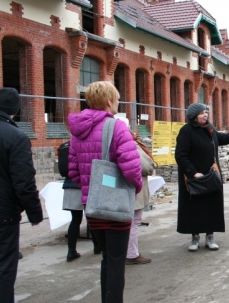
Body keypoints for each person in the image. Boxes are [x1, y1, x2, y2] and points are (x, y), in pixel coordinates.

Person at [68, 81, 142, 303]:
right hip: (115, 205)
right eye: (117, 99)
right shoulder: (117, 127)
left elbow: (72, 170)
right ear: (109, 101)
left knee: (107, 258)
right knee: (116, 262)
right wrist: (135, 188)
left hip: (92, 206)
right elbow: (131, 168)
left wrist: (90, 186)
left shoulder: (77, 132)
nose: (118, 104)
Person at [175, 103, 229, 251]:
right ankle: (194, 238)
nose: (205, 115)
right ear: (194, 116)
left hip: (211, 176)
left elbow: (222, 138)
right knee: (194, 208)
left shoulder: (209, 129)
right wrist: (193, 172)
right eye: (202, 113)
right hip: (194, 178)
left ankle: (210, 237)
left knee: (211, 207)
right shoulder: (186, 131)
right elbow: (180, 155)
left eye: (206, 112)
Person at [0, 87, 43, 303]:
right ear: (14, 109)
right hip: (3, 215)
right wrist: (35, 213)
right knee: (4, 270)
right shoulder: (15, 137)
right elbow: (24, 182)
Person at [126, 133, 155, 265]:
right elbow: (145, 166)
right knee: (134, 222)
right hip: (134, 188)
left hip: (119, 188)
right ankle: (132, 254)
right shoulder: (130, 143)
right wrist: (151, 167)